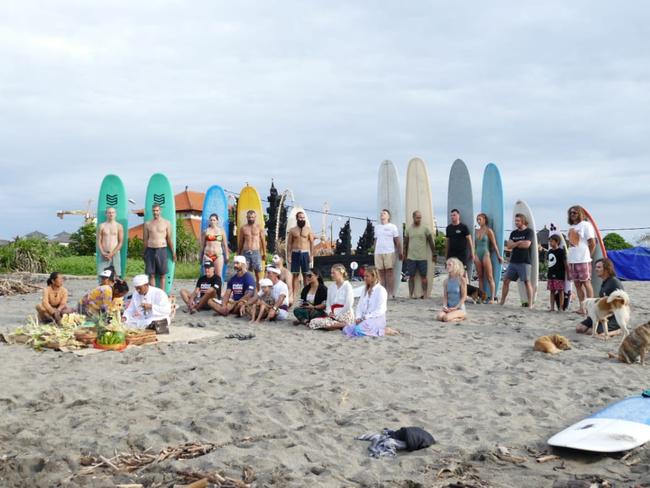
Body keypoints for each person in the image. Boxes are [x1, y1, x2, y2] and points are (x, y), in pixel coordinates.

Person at [342, 266, 399, 337]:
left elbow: (381, 310)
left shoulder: (381, 290)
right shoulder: (364, 289)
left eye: (367, 276)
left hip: (376, 318)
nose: (364, 278)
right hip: (364, 318)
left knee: (357, 330)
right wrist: (358, 317)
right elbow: (359, 306)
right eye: (364, 276)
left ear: (374, 277)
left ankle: (384, 330)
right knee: (346, 329)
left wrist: (365, 317)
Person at [576, 258, 624, 336]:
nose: (596, 269)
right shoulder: (604, 281)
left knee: (591, 332)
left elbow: (621, 304)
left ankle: (618, 330)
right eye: (596, 267)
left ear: (606, 269)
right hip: (602, 313)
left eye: (599, 267)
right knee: (579, 328)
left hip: (614, 316)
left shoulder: (614, 282)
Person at [499, 213, 534, 308]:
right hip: (513, 261)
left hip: (524, 261)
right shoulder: (513, 233)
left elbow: (527, 245)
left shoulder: (529, 232)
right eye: (515, 221)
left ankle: (530, 304)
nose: (516, 222)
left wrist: (515, 243)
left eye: (518, 221)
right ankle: (502, 301)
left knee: (527, 282)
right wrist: (519, 242)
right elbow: (509, 246)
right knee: (506, 280)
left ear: (523, 221)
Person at [567, 205, 596, 314]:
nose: (572, 214)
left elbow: (592, 242)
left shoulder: (585, 225)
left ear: (580, 214)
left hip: (583, 259)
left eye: (574, 212)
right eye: (571, 213)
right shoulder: (570, 227)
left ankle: (591, 307)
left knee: (586, 283)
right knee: (577, 285)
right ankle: (582, 307)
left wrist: (588, 255)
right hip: (573, 260)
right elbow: (570, 244)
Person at [309, 264, 355, 330]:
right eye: (331, 273)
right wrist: (329, 312)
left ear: (341, 273)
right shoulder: (331, 287)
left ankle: (342, 324)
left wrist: (338, 314)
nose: (332, 275)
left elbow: (349, 304)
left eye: (334, 273)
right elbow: (328, 303)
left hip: (345, 313)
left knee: (326, 324)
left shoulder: (347, 286)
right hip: (333, 314)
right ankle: (340, 325)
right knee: (313, 322)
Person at [403, 210, 437, 299]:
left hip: (422, 257)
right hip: (411, 257)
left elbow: (431, 242)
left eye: (420, 217)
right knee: (411, 276)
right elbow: (405, 243)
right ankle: (410, 294)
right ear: (413, 217)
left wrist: (434, 254)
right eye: (418, 217)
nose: (419, 219)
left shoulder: (425, 229)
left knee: (424, 277)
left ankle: (425, 294)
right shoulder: (408, 229)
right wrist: (404, 254)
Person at [143, 203, 176, 289]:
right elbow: (145, 239)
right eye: (153, 211)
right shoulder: (147, 224)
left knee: (162, 275)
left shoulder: (166, 223)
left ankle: (163, 295)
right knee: (152, 275)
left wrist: (173, 252)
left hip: (162, 249)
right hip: (150, 249)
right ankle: (153, 295)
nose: (155, 212)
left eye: (157, 210)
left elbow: (169, 239)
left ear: (160, 211)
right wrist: (144, 253)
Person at [473, 213, 503, 303]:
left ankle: (493, 298)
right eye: (477, 219)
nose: (478, 221)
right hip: (477, 255)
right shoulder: (476, 231)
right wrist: (473, 255)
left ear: (485, 220)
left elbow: (494, 245)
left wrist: (499, 256)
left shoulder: (489, 231)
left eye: (480, 219)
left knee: (490, 277)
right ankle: (481, 297)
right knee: (480, 277)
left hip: (486, 254)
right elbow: (474, 245)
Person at [373, 209, 403, 299]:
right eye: (381, 213)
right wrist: (374, 250)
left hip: (389, 251)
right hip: (378, 252)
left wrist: (400, 251)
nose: (382, 214)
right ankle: (382, 293)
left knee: (389, 272)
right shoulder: (377, 227)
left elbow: (397, 240)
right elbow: (375, 240)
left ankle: (391, 293)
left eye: (384, 213)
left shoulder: (392, 227)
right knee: (380, 273)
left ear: (388, 216)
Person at [287, 211, 314, 302]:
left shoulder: (308, 229)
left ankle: (306, 294)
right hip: (295, 253)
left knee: (306, 275)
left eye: (303, 217)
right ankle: (294, 295)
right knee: (295, 275)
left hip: (305, 254)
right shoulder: (292, 230)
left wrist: (311, 255)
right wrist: (289, 255)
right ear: (297, 218)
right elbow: (289, 244)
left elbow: (311, 243)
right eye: (300, 217)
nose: (302, 219)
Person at [237, 210, 267, 285]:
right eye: (249, 217)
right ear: (247, 217)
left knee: (258, 274)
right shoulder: (243, 228)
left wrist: (264, 253)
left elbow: (263, 241)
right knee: (244, 272)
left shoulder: (259, 227)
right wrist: (238, 253)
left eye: (252, 217)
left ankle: (259, 293)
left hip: (256, 252)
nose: (251, 219)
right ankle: (246, 292)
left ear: (255, 217)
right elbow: (241, 242)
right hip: (246, 252)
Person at [436, 258, 468, 322]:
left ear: (455, 266)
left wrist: (455, 308)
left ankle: (462, 317)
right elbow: (445, 296)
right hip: (449, 308)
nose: (447, 267)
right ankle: (453, 315)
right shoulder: (446, 281)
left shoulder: (462, 280)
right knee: (439, 317)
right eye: (446, 265)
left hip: (459, 308)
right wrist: (445, 306)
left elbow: (464, 297)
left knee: (446, 318)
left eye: (449, 265)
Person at [445, 209, 474, 278]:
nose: (452, 217)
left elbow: (470, 241)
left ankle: (464, 288)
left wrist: (472, 254)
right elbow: (447, 243)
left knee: (463, 274)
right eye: (451, 215)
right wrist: (446, 256)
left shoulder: (464, 227)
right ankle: (453, 288)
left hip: (461, 255)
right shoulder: (448, 228)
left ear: (458, 216)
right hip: (451, 254)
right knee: (451, 273)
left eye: (454, 215)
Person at [97, 207, 125, 278]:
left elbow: (120, 242)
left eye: (113, 212)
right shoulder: (101, 226)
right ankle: (104, 289)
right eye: (109, 212)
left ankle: (115, 289)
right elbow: (98, 241)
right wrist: (102, 252)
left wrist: (112, 254)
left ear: (115, 214)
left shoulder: (119, 226)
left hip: (115, 253)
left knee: (116, 276)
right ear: (106, 214)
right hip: (104, 254)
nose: (111, 214)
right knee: (103, 275)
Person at [200, 213, 229, 280]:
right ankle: (207, 290)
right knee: (207, 275)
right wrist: (200, 256)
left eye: (214, 220)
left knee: (218, 275)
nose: (212, 221)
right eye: (211, 220)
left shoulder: (221, 231)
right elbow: (202, 245)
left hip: (218, 255)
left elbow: (225, 245)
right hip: (207, 255)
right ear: (209, 221)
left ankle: (219, 290)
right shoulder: (206, 231)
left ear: (217, 221)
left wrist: (227, 255)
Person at [547, 235, 568, 312]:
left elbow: (565, 263)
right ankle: (552, 307)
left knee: (560, 291)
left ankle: (561, 308)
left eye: (551, 241)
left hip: (559, 274)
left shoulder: (561, 251)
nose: (550, 243)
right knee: (552, 291)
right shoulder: (549, 251)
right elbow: (549, 263)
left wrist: (568, 274)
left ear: (557, 242)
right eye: (549, 241)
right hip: (551, 273)